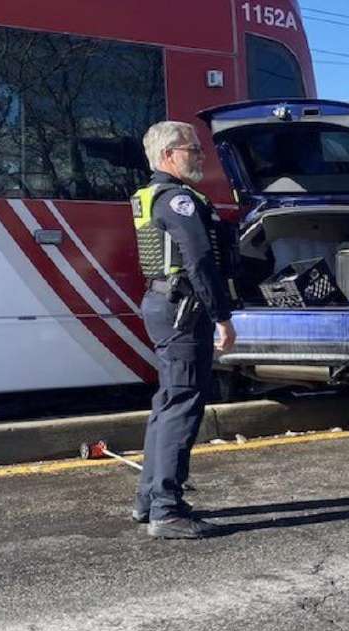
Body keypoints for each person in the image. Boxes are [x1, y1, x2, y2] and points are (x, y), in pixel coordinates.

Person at [129, 121, 238, 539]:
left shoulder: (153, 196)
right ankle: (167, 510)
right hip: (183, 310)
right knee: (183, 404)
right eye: (193, 150)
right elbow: (199, 260)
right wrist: (222, 315)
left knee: (168, 402)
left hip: (164, 303)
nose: (200, 156)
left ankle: (149, 500)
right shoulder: (178, 200)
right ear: (168, 155)